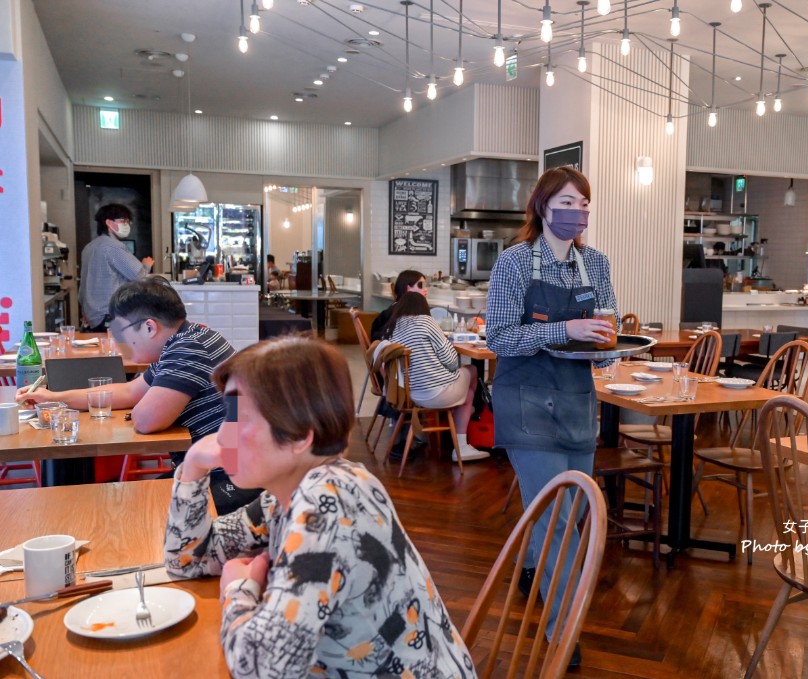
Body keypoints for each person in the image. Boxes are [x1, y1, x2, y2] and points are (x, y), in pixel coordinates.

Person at [163, 337, 475, 678]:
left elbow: (262, 669)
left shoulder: (327, 501)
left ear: (300, 435)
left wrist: (238, 590)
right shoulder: (288, 495)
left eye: (240, 418)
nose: (223, 436)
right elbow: (187, 559)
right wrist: (192, 468)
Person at [485, 165, 618, 668]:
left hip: (578, 402)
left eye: (582, 204)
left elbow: (605, 345)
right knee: (558, 520)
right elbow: (499, 338)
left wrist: (607, 346)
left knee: (574, 514)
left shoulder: (597, 265)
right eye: (565, 203)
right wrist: (563, 330)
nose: (576, 213)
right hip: (526, 402)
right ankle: (563, 631)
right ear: (542, 207)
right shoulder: (516, 262)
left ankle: (536, 565)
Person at [17, 279, 254, 509]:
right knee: (120, 505)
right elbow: (130, 390)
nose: (120, 342)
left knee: (126, 510)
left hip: (235, 480)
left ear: (149, 327)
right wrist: (53, 397)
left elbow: (145, 420)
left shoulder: (187, 348)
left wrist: (144, 406)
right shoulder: (186, 338)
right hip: (219, 470)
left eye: (121, 333)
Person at [381, 292, 488, 462]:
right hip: (439, 393)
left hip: (412, 394)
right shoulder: (427, 322)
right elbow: (452, 362)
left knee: (466, 394)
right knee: (472, 371)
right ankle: (463, 436)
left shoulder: (393, 327)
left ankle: (461, 413)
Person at [78, 203, 155, 332]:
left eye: (128, 222)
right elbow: (139, 277)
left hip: (92, 316)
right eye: (123, 221)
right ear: (108, 223)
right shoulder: (113, 246)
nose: (127, 225)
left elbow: (83, 285)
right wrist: (146, 265)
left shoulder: (89, 247)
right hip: (108, 315)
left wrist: (85, 311)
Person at [370, 269, 428, 341]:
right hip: (390, 349)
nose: (425, 289)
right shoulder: (402, 311)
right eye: (421, 285)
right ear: (408, 288)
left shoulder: (399, 307)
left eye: (425, 285)